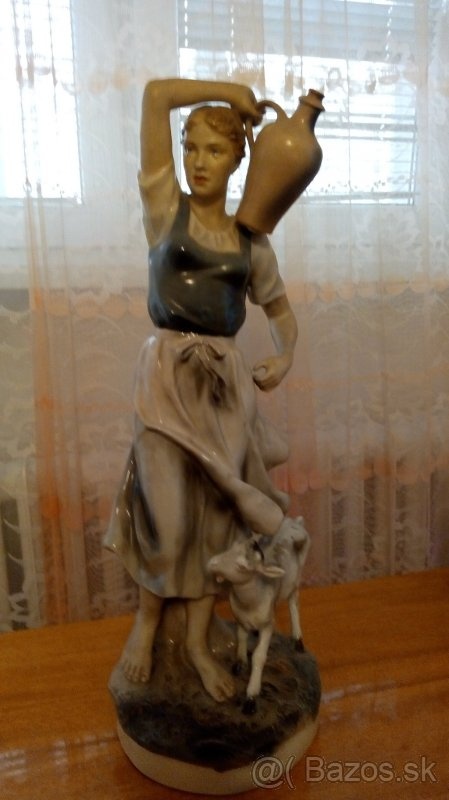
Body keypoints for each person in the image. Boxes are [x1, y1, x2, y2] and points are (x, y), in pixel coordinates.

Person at [105, 78, 298, 702]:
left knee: (216, 521)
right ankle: (146, 624)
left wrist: (284, 355)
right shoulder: (167, 211)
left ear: (238, 160)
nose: (197, 160)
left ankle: (194, 641)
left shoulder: (250, 240)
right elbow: (156, 96)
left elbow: (280, 311)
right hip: (166, 375)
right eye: (190, 147)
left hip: (224, 386)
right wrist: (229, 91)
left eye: (214, 150)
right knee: (167, 516)